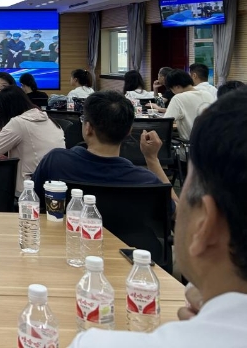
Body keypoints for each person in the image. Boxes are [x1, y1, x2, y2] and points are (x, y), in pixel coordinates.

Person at [68, 90, 247, 348]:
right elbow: (170, 207)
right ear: (128, 131)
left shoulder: (94, 343)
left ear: (204, 225)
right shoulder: (146, 180)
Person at [32, 91, 177, 205]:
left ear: (88, 128)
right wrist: (152, 159)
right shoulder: (145, 181)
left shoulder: (55, 161)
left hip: (68, 234)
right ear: (129, 131)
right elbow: (177, 214)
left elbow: (31, 200)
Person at [0, 86, 65, 194]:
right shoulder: (47, 118)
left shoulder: (19, 122)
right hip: (56, 186)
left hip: (29, 189)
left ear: (6, 109)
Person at [162, 69, 216, 141]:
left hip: (191, 145)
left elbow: (165, 124)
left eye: (172, 89)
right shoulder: (207, 94)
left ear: (176, 87)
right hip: (213, 143)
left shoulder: (178, 98)